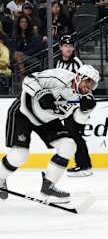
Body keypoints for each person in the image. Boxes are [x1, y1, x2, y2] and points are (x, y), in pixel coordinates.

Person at [0, 65, 100, 203]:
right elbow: (28, 80)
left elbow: (77, 122)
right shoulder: (59, 76)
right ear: (78, 77)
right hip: (23, 112)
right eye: (87, 81)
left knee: (69, 145)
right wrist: (41, 94)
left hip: (48, 120)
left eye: (92, 84)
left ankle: (48, 186)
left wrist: (85, 111)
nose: (88, 86)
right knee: (19, 156)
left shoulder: (86, 98)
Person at [55, 35, 94, 177]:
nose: (68, 48)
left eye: (70, 46)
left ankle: (84, 165)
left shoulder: (77, 63)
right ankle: (83, 164)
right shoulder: (58, 62)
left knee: (75, 135)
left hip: (76, 107)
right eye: (65, 46)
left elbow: (85, 84)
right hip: (67, 107)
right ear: (60, 47)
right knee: (73, 135)